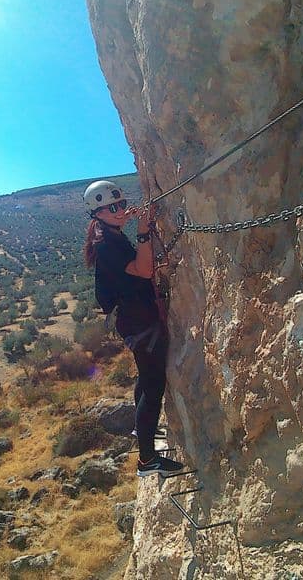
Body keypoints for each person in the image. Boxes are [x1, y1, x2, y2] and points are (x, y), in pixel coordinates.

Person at [82, 180, 184, 477]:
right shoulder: (107, 243)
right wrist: (143, 228)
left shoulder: (110, 236)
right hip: (139, 321)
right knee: (153, 387)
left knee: (145, 378)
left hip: (135, 318)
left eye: (121, 205)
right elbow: (142, 270)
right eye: (112, 207)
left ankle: (143, 435)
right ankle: (147, 461)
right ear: (97, 213)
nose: (119, 210)